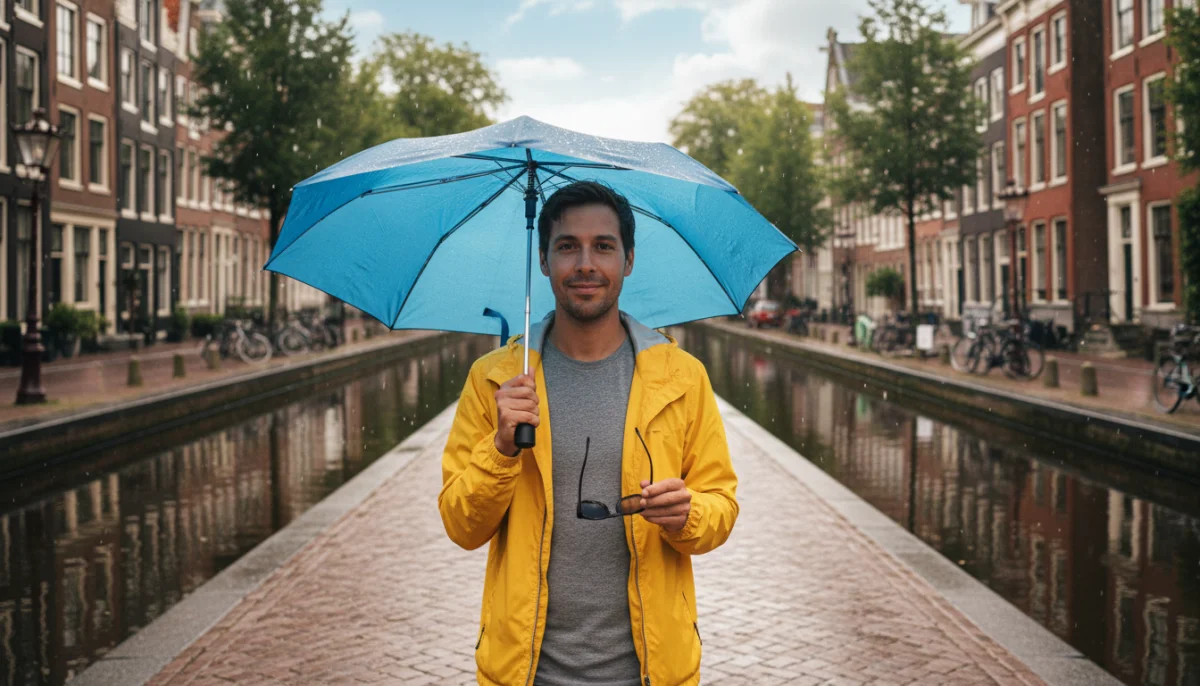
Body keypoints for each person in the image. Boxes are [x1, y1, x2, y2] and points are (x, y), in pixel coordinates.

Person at [438, 180, 738, 686]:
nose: (585, 264)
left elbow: (721, 508)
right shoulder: (494, 379)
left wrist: (687, 515)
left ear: (628, 260)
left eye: (603, 246)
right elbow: (462, 526)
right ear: (543, 260)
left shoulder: (682, 378)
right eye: (566, 247)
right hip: (526, 672)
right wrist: (501, 450)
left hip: (650, 671)